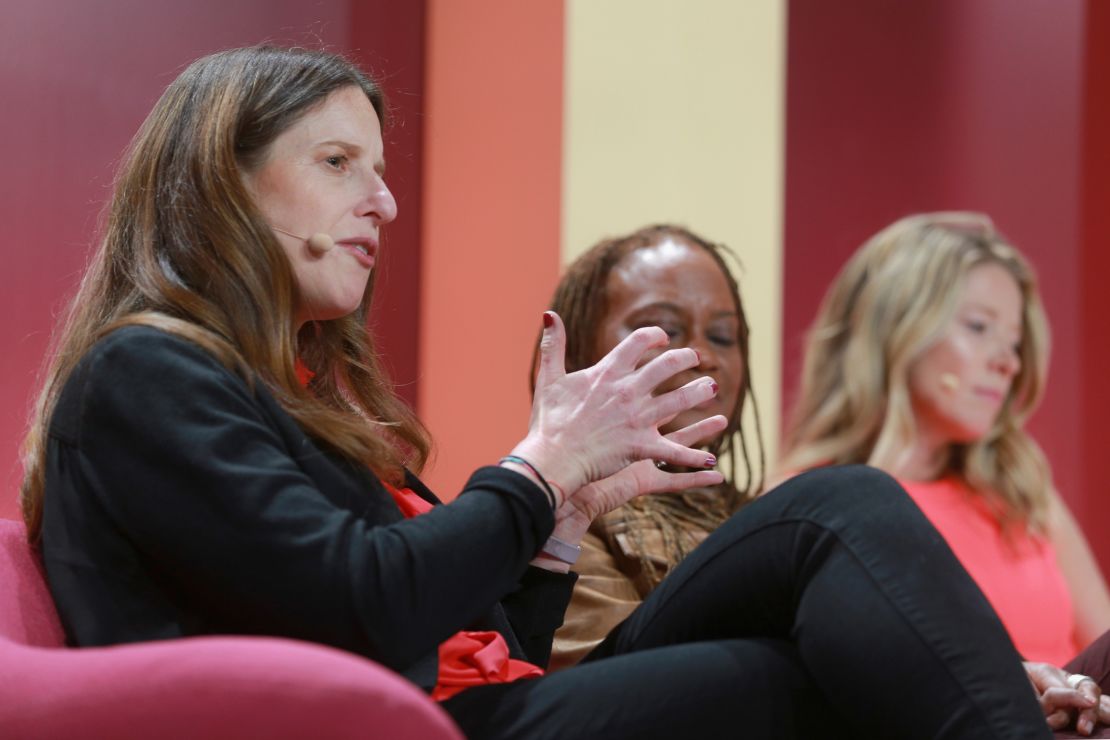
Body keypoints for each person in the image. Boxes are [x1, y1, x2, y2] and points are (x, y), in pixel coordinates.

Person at [19, 46, 1063, 739]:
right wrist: (538, 465)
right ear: (221, 184)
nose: (382, 200)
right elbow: (365, 604)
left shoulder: (284, 388)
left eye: (378, 168)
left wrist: (560, 521)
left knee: (829, 520)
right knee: (819, 586)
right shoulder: (142, 373)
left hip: (462, 703)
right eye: (339, 162)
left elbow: (485, 641)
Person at [778, 212, 1110, 733]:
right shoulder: (803, 501)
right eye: (979, 327)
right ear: (897, 326)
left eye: (1015, 341)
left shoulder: (1023, 488)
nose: (1009, 362)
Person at [536, 224, 764, 669]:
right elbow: (614, 693)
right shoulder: (562, 515)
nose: (705, 355)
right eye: (665, 332)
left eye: (721, 336)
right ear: (582, 354)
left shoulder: (766, 516)